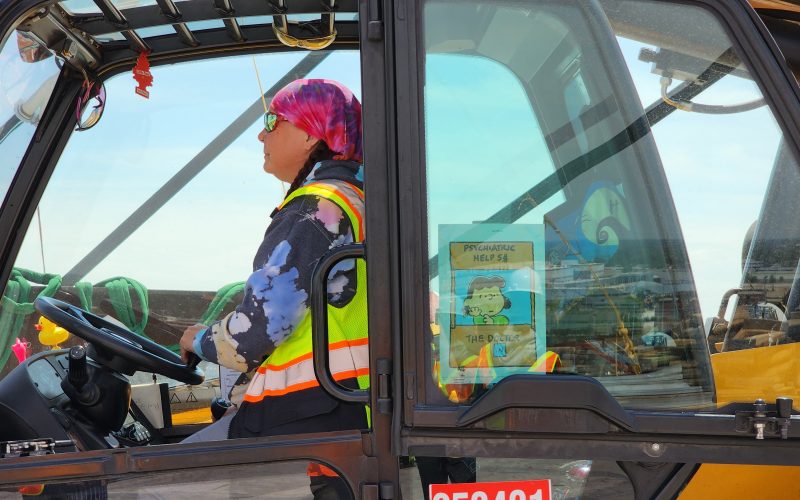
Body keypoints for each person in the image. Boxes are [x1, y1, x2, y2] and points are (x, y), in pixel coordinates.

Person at [179, 78, 368, 499]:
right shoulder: (357, 198)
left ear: (308, 133)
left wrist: (199, 338)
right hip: (344, 412)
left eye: (272, 121)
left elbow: (258, 330)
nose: (262, 134)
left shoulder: (314, 211)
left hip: (306, 414)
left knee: (152, 482)